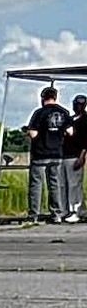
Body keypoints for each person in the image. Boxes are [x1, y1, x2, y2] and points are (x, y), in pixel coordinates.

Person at [23, 84, 71, 222]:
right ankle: (56, 214)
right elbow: (70, 131)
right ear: (55, 97)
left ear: (43, 98)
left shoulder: (39, 113)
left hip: (40, 154)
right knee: (55, 185)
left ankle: (34, 215)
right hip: (57, 154)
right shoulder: (64, 112)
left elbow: (33, 134)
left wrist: (27, 132)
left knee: (36, 185)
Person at [65, 94, 87, 224]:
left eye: (81, 104)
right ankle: (78, 209)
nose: (78, 107)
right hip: (66, 153)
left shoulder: (85, 120)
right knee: (69, 185)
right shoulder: (70, 119)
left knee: (75, 185)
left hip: (77, 154)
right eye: (76, 104)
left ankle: (76, 210)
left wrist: (82, 156)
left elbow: (86, 141)